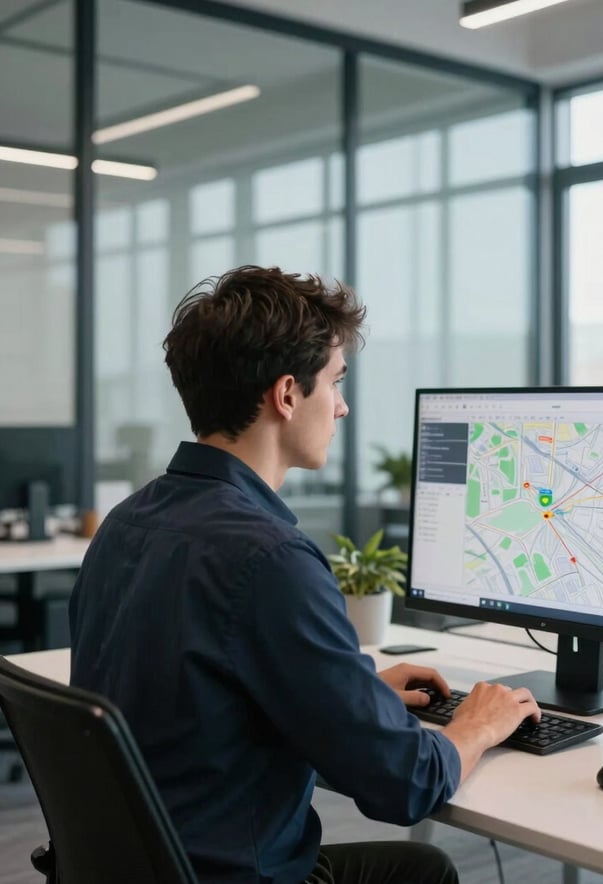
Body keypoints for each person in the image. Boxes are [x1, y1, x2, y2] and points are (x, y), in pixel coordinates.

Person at [68, 265, 540, 884]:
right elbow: (404, 784)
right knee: (421, 871)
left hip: (141, 865)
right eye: (336, 383)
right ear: (287, 395)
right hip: (232, 872)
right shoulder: (270, 558)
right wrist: (478, 725)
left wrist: (346, 692)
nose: (342, 408)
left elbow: (195, 696)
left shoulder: (127, 522)